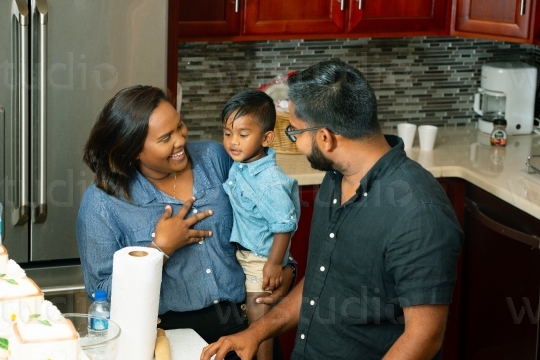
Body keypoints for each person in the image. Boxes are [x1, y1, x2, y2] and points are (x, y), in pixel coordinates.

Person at [201, 59, 464, 360]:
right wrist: (255, 333)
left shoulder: (419, 212)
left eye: (295, 132)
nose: (294, 142)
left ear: (325, 138)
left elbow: (424, 337)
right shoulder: (337, 177)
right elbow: (320, 282)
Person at [76, 85, 295, 360]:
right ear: (132, 150)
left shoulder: (215, 158)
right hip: (169, 341)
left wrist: (286, 268)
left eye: (179, 127)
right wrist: (159, 249)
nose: (181, 140)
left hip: (246, 328)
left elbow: (267, 212)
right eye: (165, 138)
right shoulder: (103, 203)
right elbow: (103, 297)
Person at [221, 89, 301, 360]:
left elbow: (285, 224)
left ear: (266, 138)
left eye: (243, 135)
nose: (233, 142)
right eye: (227, 133)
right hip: (247, 252)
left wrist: (274, 264)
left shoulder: (270, 182)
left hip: (261, 257)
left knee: (259, 317)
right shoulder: (242, 163)